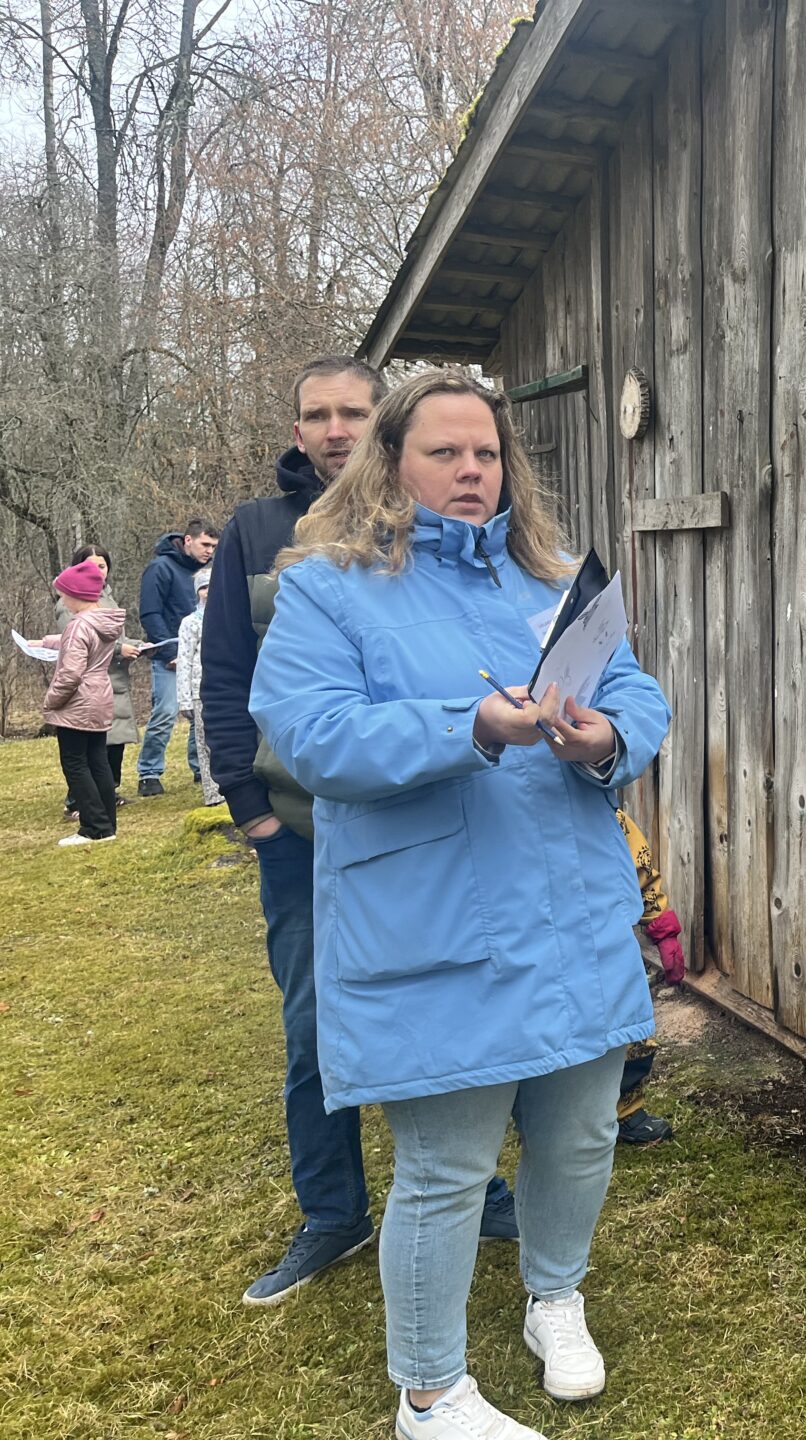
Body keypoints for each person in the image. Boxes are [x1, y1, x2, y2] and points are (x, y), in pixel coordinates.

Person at [250, 370, 671, 1440]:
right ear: (391, 463)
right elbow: (312, 735)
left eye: (486, 453)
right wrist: (472, 725)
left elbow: (634, 689)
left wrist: (610, 736)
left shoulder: (553, 578)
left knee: (580, 1136)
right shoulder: (328, 588)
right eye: (444, 452)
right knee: (445, 1169)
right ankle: (430, 1394)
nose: (471, 470)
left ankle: (554, 1295)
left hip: (573, 917)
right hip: (438, 923)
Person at [202, 356, 518, 1307]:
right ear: (297, 430)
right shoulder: (259, 532)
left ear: (383, 424)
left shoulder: (432, 528)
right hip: (300, 829)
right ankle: (334, 1212)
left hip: (411, 819)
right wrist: (249, 804)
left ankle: (472, 1186)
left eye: (353, 411)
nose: (335, 428)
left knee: (441, 1003)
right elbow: (227, 675)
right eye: (317, 414)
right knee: (315, 1026)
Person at [41, 561, 127, 847]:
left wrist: (52, 701)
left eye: (64, 594)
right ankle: (107, 825)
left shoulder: (78, 625)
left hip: (78, 701)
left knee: (75, 763)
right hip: (100, 695)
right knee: (98, 761)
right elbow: (82, 644)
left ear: (76, 594)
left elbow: (70, 674)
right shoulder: (102, 621)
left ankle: (93, 828)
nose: (62, 600)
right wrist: (47, 642)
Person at [612, 809, 683, 1149]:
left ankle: (626, 1112)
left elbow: (641, 868)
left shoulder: (608, 815)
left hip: (607, 945)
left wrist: (663, 930)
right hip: (530, 952)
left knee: (633, 1035)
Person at [136, 519, 218, 794]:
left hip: (202, 655)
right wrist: (170, 652)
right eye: (205, 544)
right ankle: (149, 772)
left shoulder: (209, 572)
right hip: (168, 654)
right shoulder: (160, 568)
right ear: (187, 540)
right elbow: (150, 613)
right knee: (166, 712)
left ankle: (201, 767)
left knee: (201, 714)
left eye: (214, 546)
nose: (209, 551)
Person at [57, 547, 139, 816]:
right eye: (90, 566)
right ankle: (80, 802)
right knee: (88, 751)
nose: (97, 572)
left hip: (111, 679)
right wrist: (119, 649)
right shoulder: (70, 603)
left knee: (110, 745)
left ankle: (105, 800)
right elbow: (76, 643)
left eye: (102, 566)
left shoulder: (108, 599)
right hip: (93, 681)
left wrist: (136, 645)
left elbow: (112, 637)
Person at [173, 568, 223, 808]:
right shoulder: (190, 623)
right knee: (204, 743)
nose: (207, 592)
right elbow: (184, 660)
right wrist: (184, 699)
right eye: (203, 587)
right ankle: (212, 792)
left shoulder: (228, 617)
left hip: (224, 687)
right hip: (199, 690)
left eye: (211, 586)